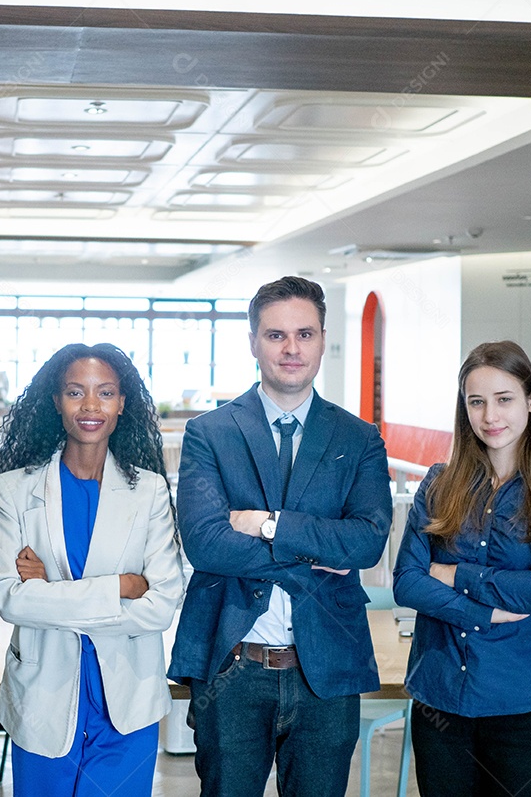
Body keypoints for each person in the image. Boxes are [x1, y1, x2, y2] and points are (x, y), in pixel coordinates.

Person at [168, 276, 393, 797]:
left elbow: (364, 545)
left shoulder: (359, 439)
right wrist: (315, 553)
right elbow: (206, 544)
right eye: (275, 336)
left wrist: (271, 525)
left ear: (321, 339)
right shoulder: (211, 432)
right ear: (253, 342)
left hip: (327, 669)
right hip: (232, 667)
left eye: (305, 334)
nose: (291, 349)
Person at [0, 342, 183, 797]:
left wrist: (51, 592)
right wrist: (122, 587)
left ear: (122, 402)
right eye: (75, 392)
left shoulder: (148, 492)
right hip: (43, 694)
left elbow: (162, 606)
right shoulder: (14, 490)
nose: (91, 406)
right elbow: (12, 599)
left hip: (127, 701)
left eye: (105, 392)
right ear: (56, 401)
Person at [392, 340, 531, 797]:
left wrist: (453, 574)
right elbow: (407, 582)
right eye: (476, 402)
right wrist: (487, 611)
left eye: (504, 399)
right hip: (441, 702)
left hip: (523, 707)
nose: (490, 416)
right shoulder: (439, 485)